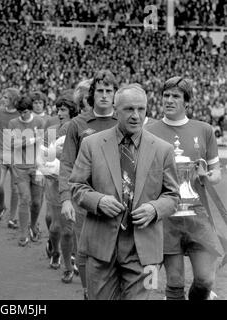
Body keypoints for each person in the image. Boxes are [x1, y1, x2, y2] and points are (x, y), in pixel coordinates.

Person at [69, 84, 180, 300]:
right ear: (115, 109)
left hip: (145, 252)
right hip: (100, 249)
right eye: (129, 109)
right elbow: (76, 186)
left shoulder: (163, 149)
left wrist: (154, 209)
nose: (136, 116)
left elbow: (173, 196)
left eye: (141, 109)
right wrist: (98, 201)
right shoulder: (92, 144)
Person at [147, 77, 224, 300]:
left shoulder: (204, 129)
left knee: (205, 280)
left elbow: (216, 173)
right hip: (166, 217)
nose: (169, 100)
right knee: (175, 282)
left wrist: (208, 176)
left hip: (198, 215)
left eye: (176, 96)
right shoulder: (149, 132)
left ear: (187, 101)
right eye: (166, 95)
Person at [59, 70, 119, 299]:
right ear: (92, 94)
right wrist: (65, 199)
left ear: (115, 95)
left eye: (109, 91)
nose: (104, 96)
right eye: (100, 91)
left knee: (118, 253)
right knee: (85, 251)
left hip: (119, 200)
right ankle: (87, 292)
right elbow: (66, 164)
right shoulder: (77, 124)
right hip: (84, 199)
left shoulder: (124, 120)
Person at [39, 93, 79, 283]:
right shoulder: (51, 131)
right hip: (54, 182)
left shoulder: (80, 129)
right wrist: (44, 170)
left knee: (70, 229)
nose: (60, 113)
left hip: (75, 183)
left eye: (63, 109)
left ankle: (69, 265)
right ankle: (54, 251)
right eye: (58, 109)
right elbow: (41, 156)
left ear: (72, 111)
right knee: (55, 227)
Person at [8, 95, 45, 246]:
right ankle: (23, 232)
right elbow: (13, 144)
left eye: (26, 111)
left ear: (30, 110)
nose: (23, 115)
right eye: (20, 112)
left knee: (36, 202)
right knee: (24, 199)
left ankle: (33, 225)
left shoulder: (39, 122)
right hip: (20, 167)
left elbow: (42, 143)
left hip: (36, 166)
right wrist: (31, 139)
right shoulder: (13, 123)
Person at [0, 88, 21, 228]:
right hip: (2, 155)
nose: (3, 99)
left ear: (14, 100)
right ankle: (2, 206)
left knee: (15, 189)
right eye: (3, 97)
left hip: (17, 157)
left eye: (6, 97)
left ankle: (12, 218)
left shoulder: (21, 113)